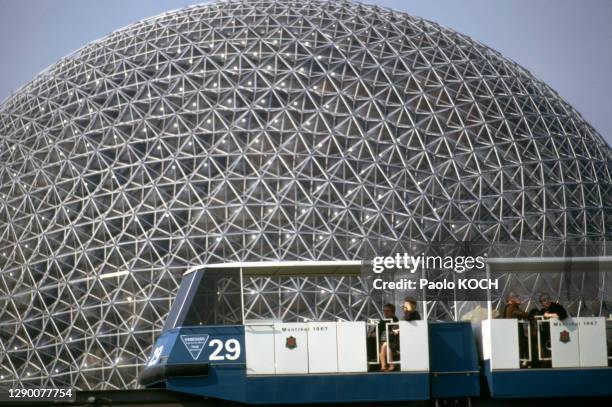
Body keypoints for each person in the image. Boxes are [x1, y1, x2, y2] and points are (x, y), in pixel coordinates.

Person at [377, 303, 398, 372]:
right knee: (385, 346)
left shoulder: (395, 321)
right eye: (384, 311)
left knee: (385, 346)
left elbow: (395, 331)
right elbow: (375, 332)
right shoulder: (382, 322)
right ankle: (389, 366)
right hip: (384, 343)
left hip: (394, 343)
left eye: (387, 311)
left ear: (392, 311)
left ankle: (384, 366)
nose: (385, 312)